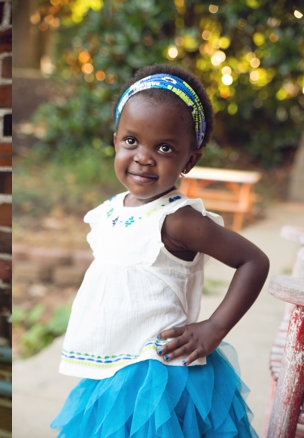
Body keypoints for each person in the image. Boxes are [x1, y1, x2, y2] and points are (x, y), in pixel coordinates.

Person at [50, 64, 269, 437]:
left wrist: (214, 327)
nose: (144, 157)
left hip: (163, 376)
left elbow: (254, 261)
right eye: (131, 141)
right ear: (115, 139)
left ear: (190, 160)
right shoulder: (108, 213)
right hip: (111, 372)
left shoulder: (178, 220)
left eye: (164, 147)